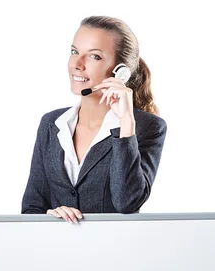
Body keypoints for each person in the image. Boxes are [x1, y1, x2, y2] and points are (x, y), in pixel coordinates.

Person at [21, 16, 167, 223]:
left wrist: (126, 123)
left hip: (113, 251)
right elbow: (31, 208)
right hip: (56, 251)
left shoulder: (147, 127)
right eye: (74, 52)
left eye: (94, 57)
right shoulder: (52, 123)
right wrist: (50, 216)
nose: (77, 64)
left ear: (121, 71)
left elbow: (127, 203)